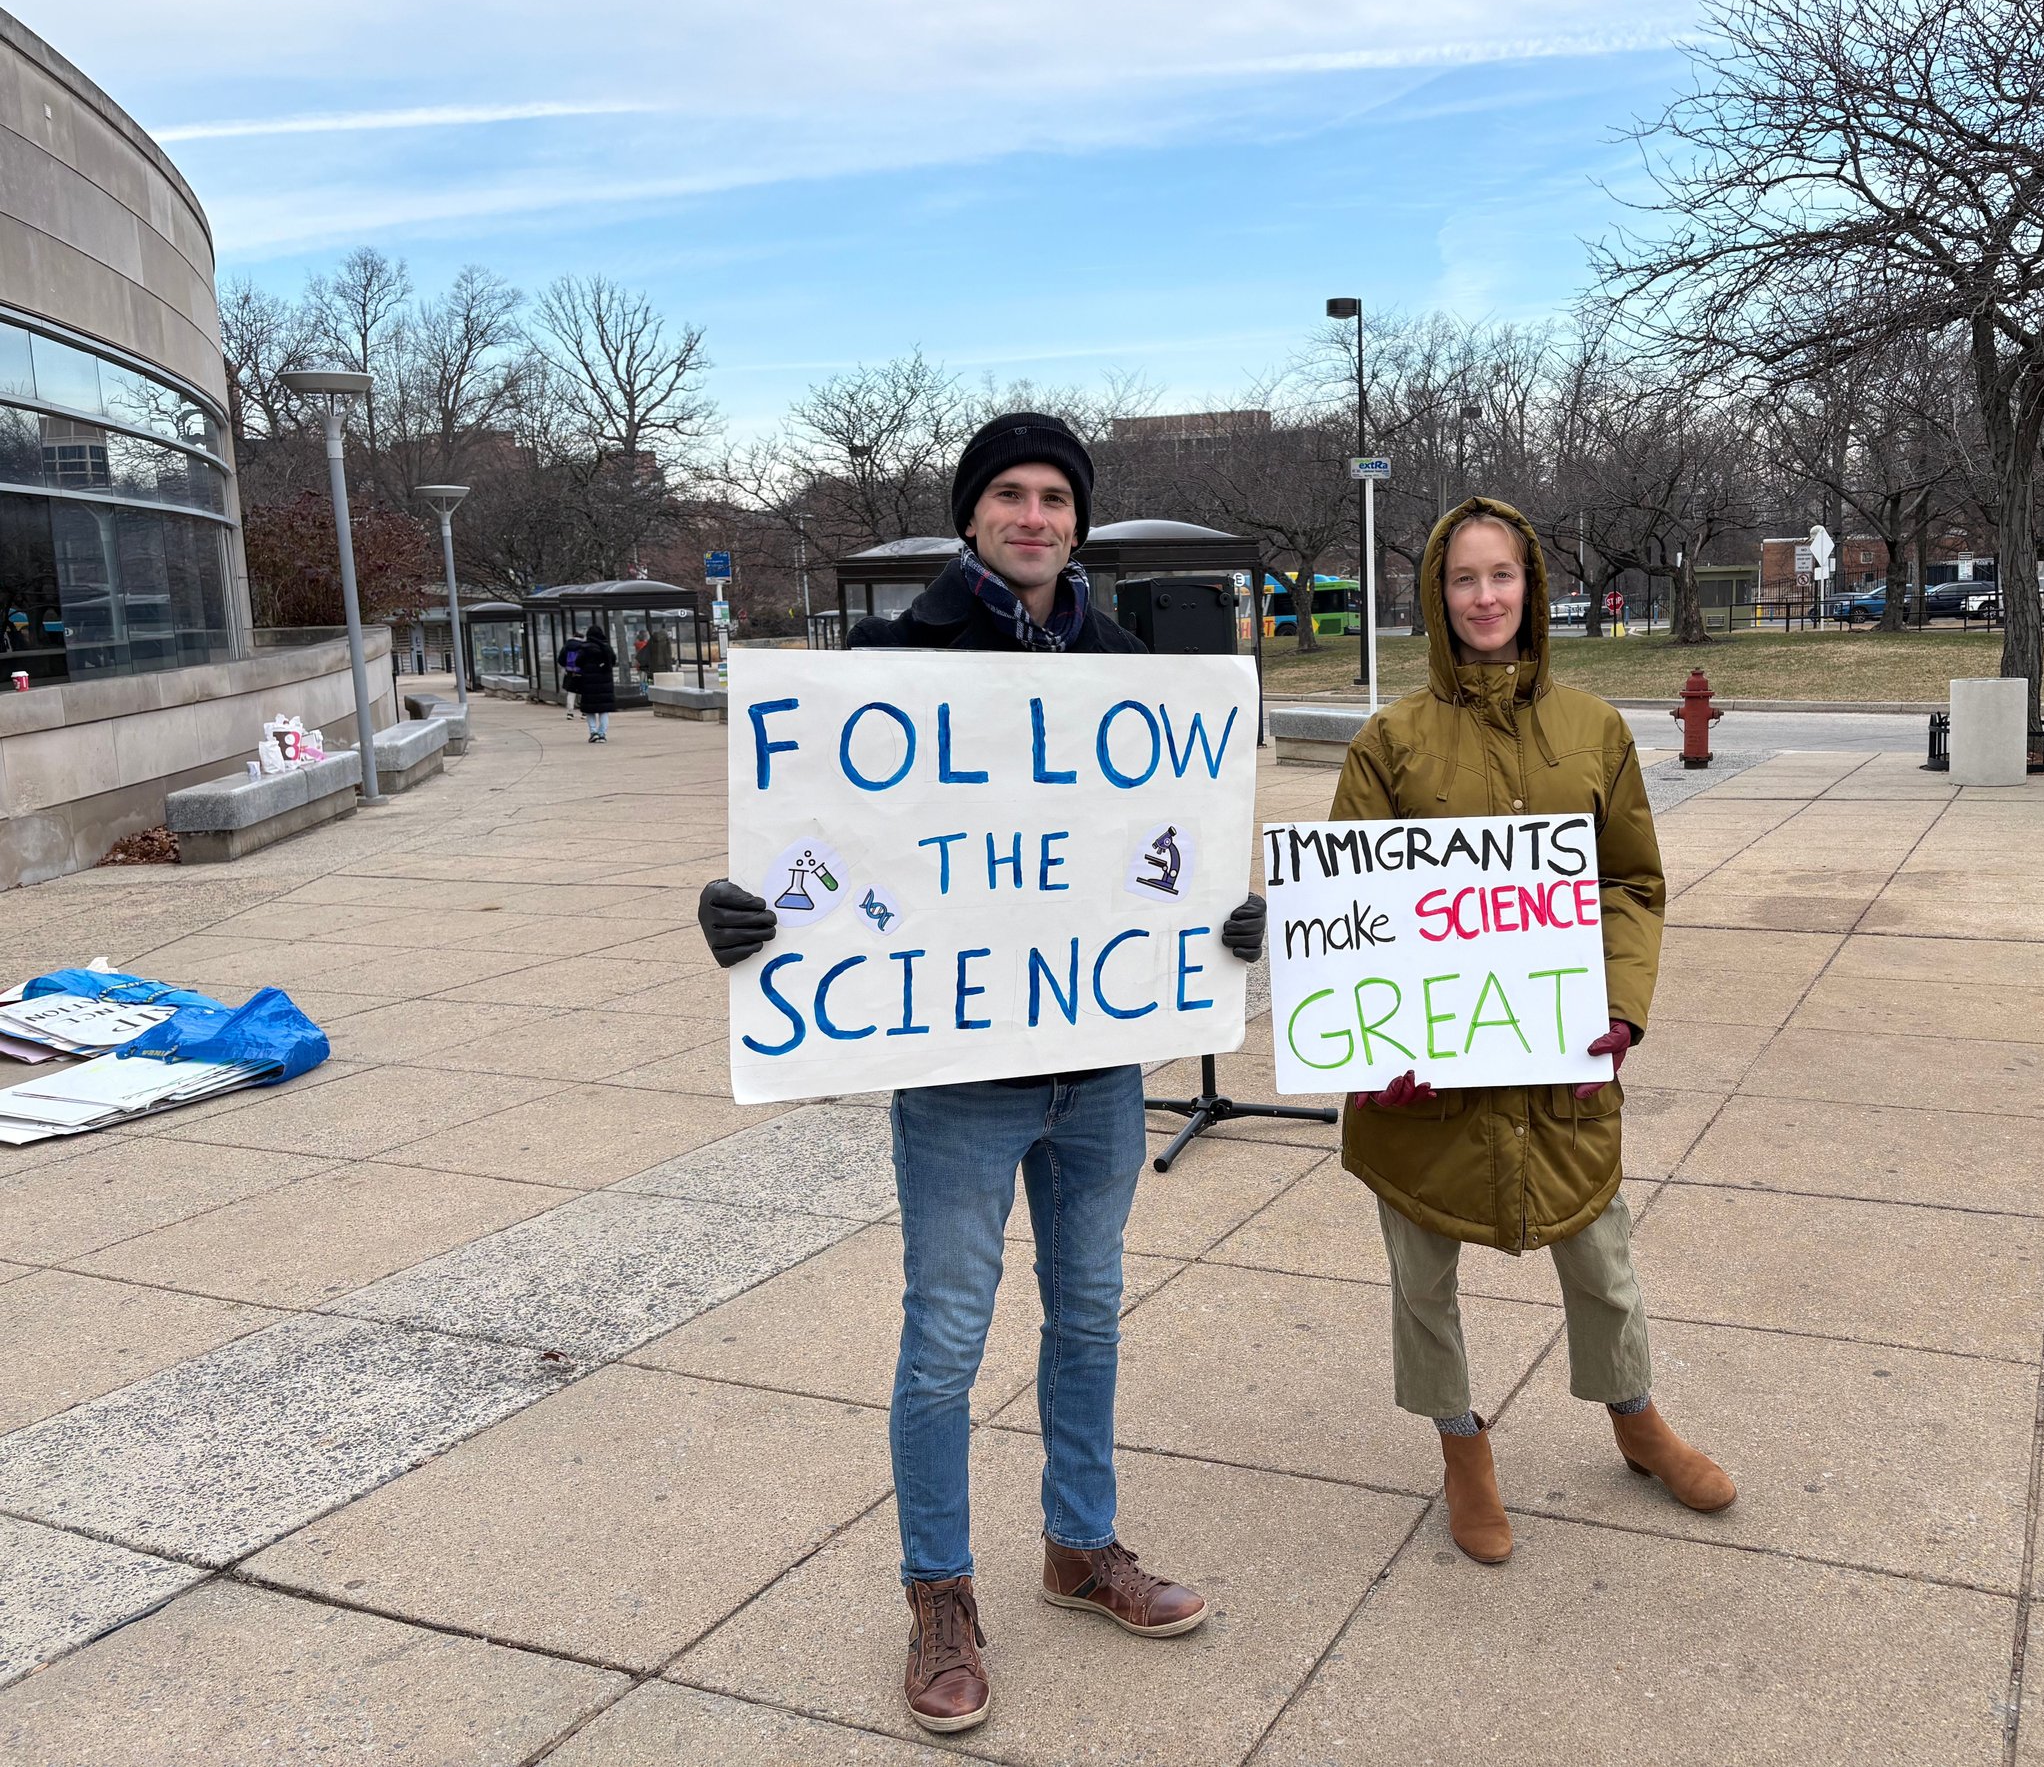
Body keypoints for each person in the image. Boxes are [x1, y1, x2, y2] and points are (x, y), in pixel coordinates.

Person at [696, 412, 1268, 1736]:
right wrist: (748, 913)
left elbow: (1165, 842)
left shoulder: (1131, 670)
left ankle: (1082, 1546)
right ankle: (939, 1592)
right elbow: (819, 851)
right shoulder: (888, 668)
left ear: (1079, 519)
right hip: (960, 1072)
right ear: (972, 515)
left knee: (1089, 1313)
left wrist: (1222, 927)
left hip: (1101, 1062)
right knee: (946, 1336)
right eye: (1008, 493)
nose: (1033, 514)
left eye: (1055, 496)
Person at [1329, 497, 1735, 1566]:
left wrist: (1621, 1000)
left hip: (1560, 1055)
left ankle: (1636, 1419)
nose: (1484, 597)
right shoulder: (1390, 744)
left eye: (1501, 575)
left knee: (1602, 1260)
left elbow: (1631, 880)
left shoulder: (1592, 729)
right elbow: (1353, 917)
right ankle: (1462, 1447)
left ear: (1532, 586)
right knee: (1421, 1279)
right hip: (1425, 1074)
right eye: (1463, 579)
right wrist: (1376, 1049)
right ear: (1436, 595)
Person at [575, 624, 616, 743]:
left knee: (590, 709)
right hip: (604, 682)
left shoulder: (585, 647)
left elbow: (578, 662)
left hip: (588, 682)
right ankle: (602, 734)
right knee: (603, 710)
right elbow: (613, 661)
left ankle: (593, 732)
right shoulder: (607, 647)